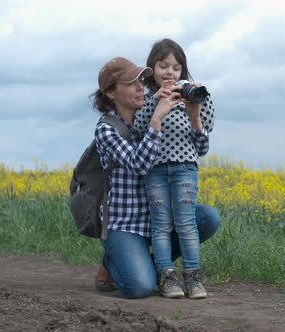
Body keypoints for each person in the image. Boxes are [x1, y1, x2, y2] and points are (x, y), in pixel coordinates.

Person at [91, 56, 220, 299]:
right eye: (130, 84)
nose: (140, 86)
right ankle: (113, 260)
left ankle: (158, 269)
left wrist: (194, 117)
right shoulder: (106, 129)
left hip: (158, 218)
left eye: (141, 80)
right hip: (125, 225)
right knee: (139, 287)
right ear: (111, 92)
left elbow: (197, 149)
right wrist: (157, 119)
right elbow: (140, 164)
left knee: (208, 218)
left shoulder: (151, 107)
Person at [133, 38, 215, 299]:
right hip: (155, 170)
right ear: (152, 68)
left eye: (176, 68)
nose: (169, 72)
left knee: (186, 223)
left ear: (183, 71)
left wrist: (194, 114)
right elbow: (137, 130)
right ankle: (166, 277)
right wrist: (156, 102)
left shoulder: (198, 97)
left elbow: (202, 147)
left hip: (185, 168)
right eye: (163, 66)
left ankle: (193, 278)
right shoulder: (145, 98)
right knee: (161, 225)